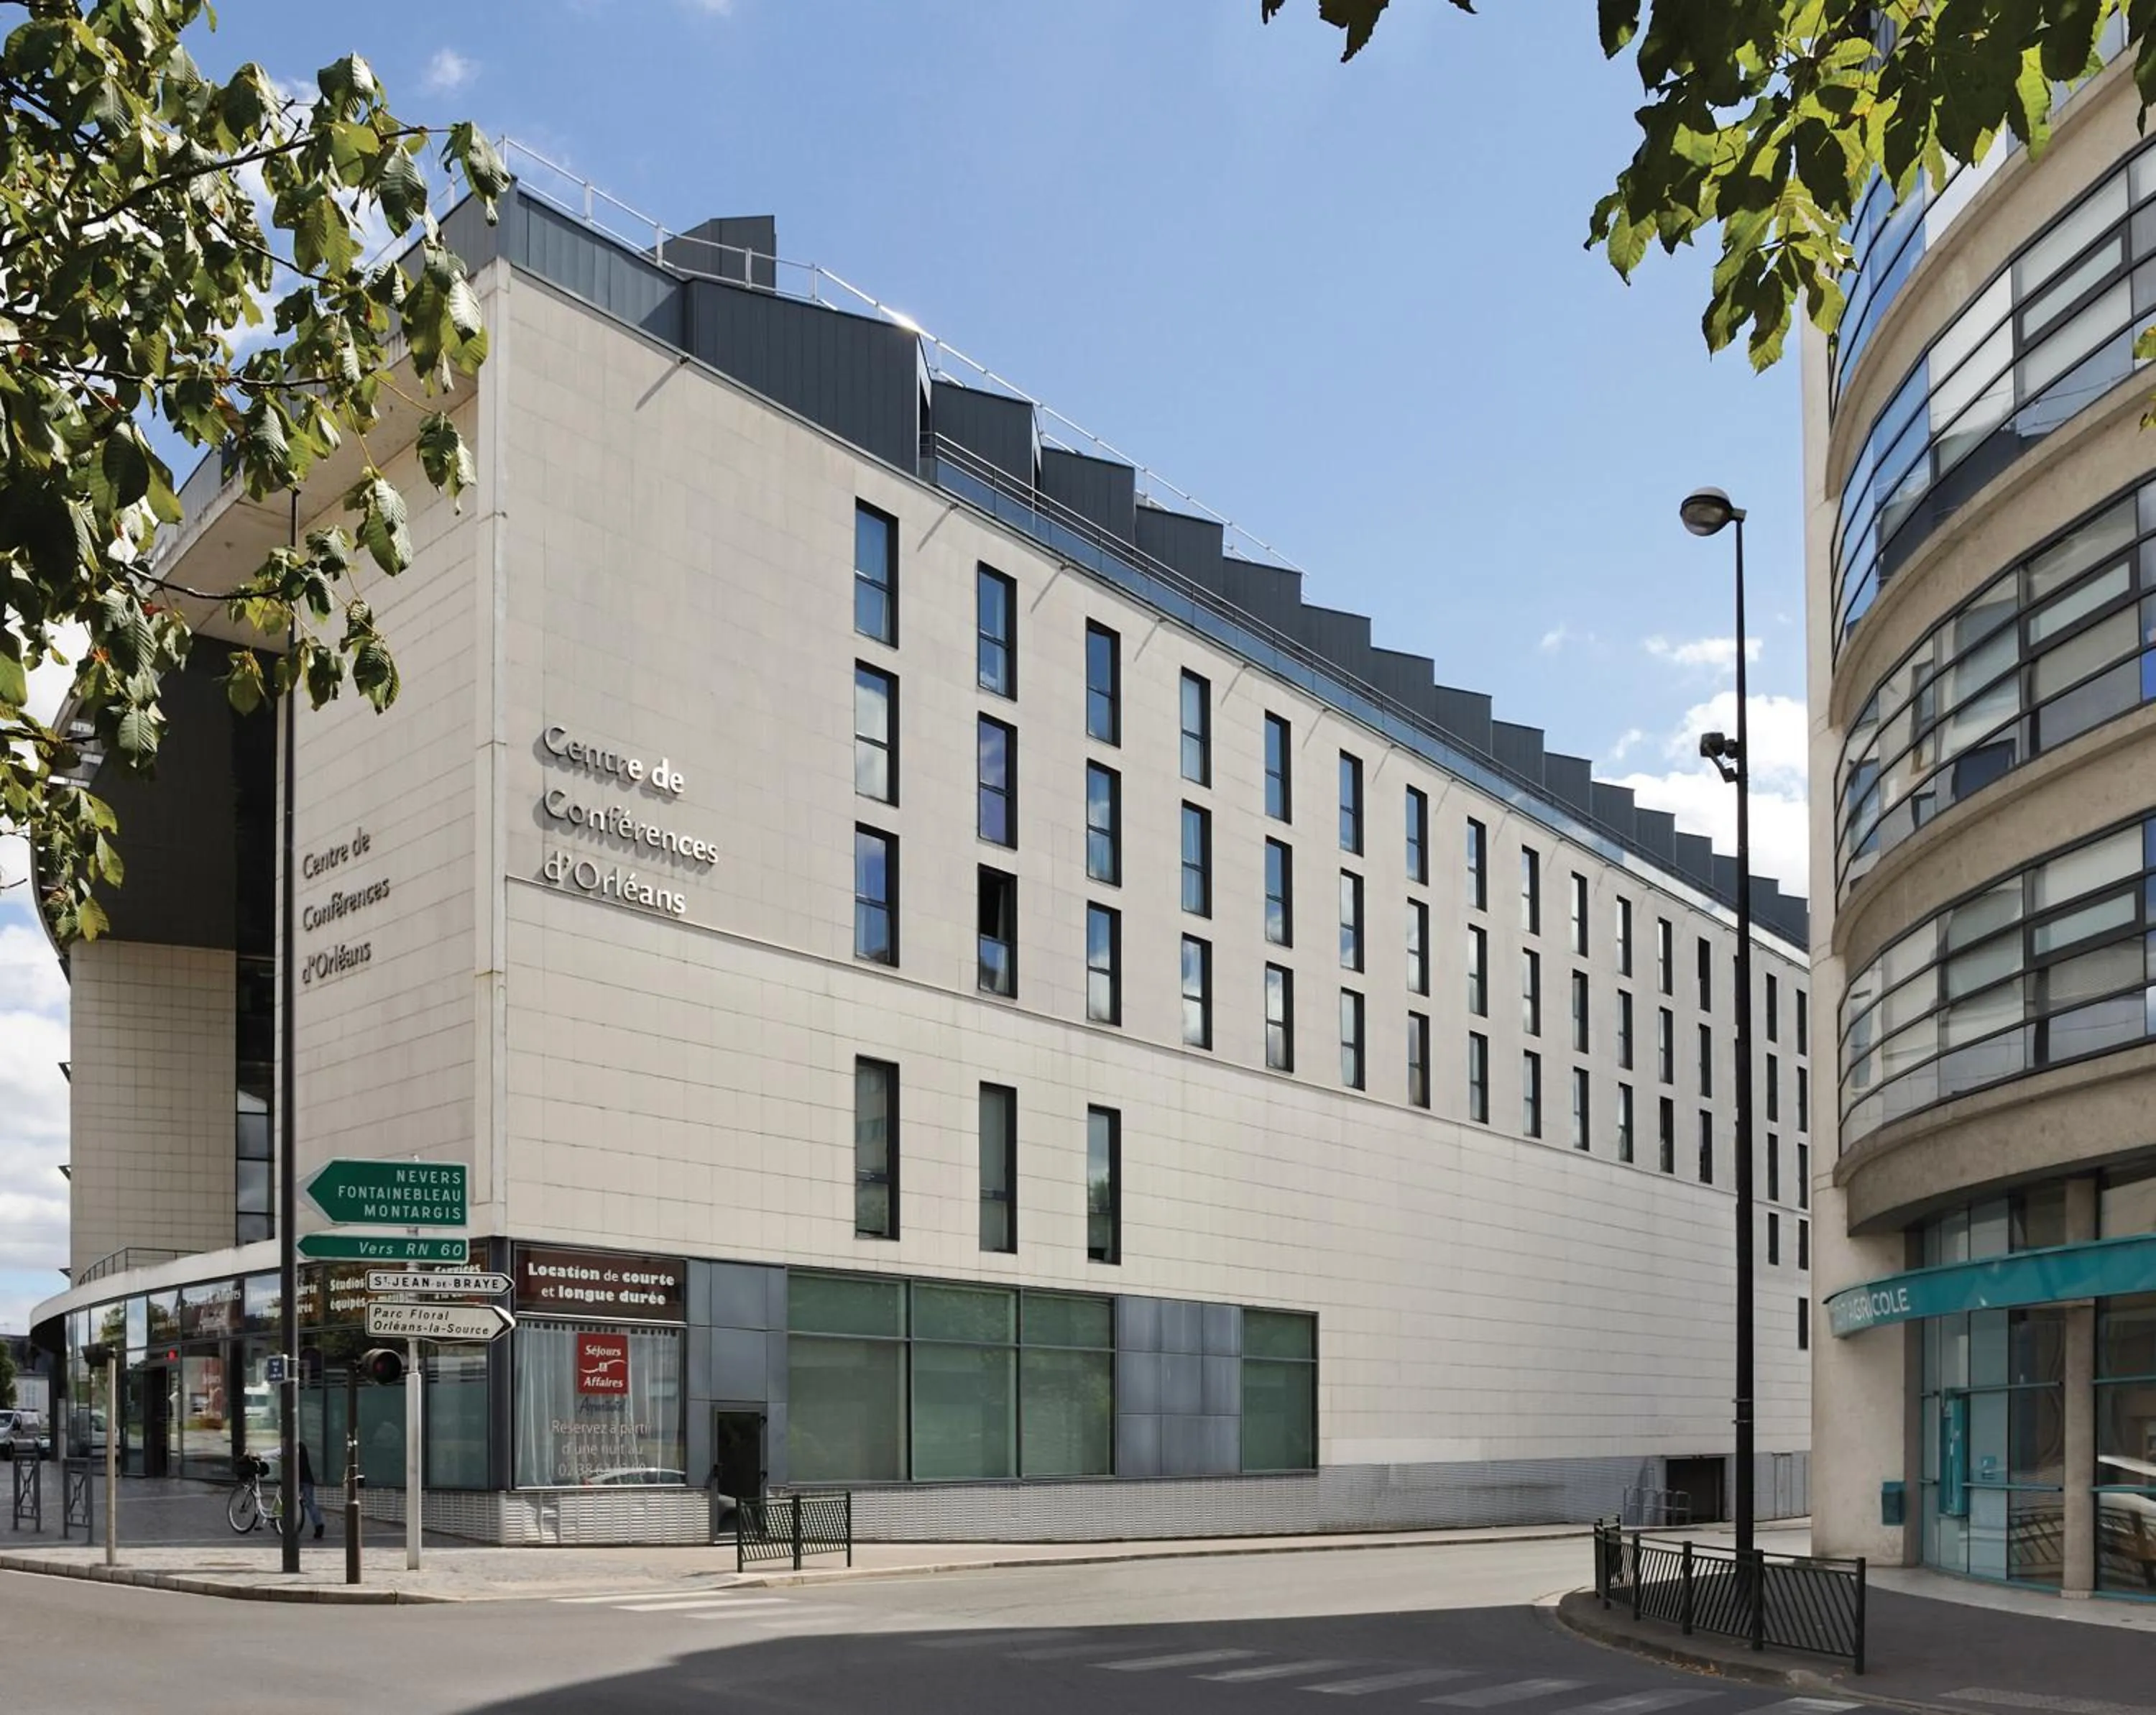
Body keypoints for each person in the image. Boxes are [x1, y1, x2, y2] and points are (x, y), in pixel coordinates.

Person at [296, 1438, 324, 1541]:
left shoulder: (292, 1446)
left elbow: (278, 1453)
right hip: (308, 1479)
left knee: (286, 1500)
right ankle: (319, 1525)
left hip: (297, 1480)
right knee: (310, 1503)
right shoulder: (301, 1446)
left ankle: (282, 1522)